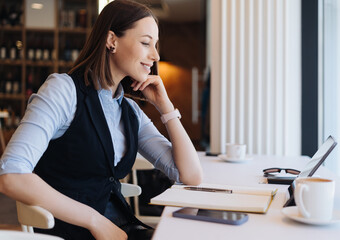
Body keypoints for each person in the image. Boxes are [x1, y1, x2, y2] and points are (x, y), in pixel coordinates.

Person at [0, 0, 203, 239]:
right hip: (72, 232)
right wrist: (94, 221)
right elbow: (11, 175)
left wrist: (165, 107)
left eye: (155, 45)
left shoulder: (128, 109)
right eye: (146, 42)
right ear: (111, 41)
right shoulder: (63, 90)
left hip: (121, 228)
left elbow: (190, 176)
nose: (155, 55)